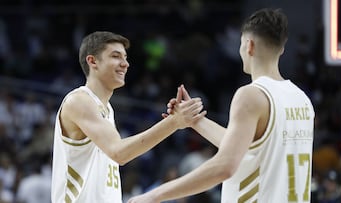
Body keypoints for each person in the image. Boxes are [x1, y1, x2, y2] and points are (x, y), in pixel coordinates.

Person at [128, 8, 315, 203]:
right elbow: (242, 147)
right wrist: (195, 121)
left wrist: (155, 194)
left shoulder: (251, 95)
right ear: (282, 49)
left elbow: (225, 165)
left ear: (249, 46)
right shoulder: (301, 98)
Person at [51, 31, 206, 203]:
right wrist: (173, 123)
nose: (125, 64)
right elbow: (119, 153)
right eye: (116, 56)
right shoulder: (79, 101)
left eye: (125, 57)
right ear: (92, 61)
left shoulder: (107, 109)